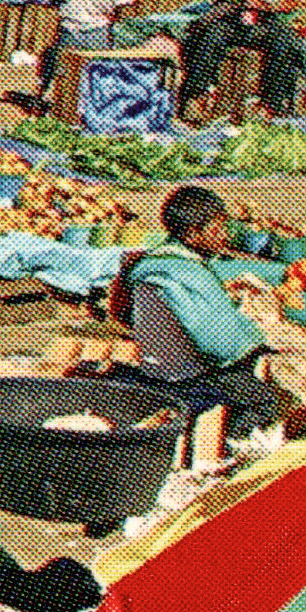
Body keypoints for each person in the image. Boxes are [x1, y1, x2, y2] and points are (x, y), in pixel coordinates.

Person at [118, 185, 285, 435]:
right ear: (193, 235)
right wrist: (261, 336)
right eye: (218, 229)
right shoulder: (188, 273)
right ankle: (230, 450)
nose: (225, 236)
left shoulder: (155, 264)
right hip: (185, 378)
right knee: (265, 402)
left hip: (156, 366)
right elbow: (220, 344)